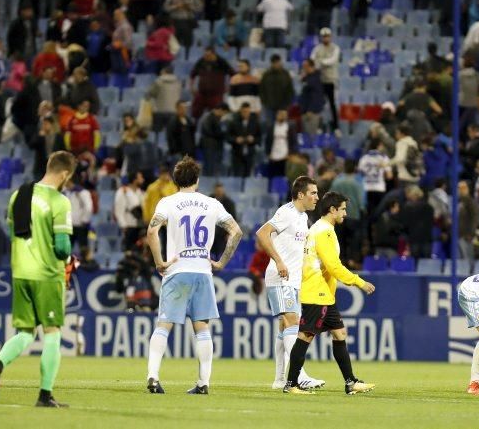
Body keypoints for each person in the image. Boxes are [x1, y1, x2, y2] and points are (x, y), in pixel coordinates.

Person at [0, 151, 77, 407]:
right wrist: (70, 258)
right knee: (52, 332)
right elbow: (62, 248)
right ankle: (45, 395)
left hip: (20, 272)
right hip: (46, 274)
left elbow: (17, 233)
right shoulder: (59, 201)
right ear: (65, 174)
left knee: (25, 332)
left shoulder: (19, 195)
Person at [145, 156, 243, 394]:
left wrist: (160, 262)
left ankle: (153, 377)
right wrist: (220, 262)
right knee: (202, 328)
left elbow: (151, 232)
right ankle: (203, 383)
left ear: (175, 180)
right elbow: (236, 232)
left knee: (163, 325)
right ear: (197, 180)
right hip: (202, 271)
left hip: (177, 270)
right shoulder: (212, 204)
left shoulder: (167, 202)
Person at [283, 191, 376, 395]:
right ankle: (291, 384)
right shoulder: (324, 231)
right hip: (317, 293)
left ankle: (350, 382)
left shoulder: (319, 228)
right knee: (305, 336)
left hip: (324, 293)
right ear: (332, 210)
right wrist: (358, 282)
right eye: (342, 208)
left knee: (339, 333)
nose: (345, 212)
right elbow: (334, 266)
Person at [256, 176, 324, 391]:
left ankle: (279, 379)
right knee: (293, 323)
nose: (317, 197)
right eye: (313, 193)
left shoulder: (303, 217)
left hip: (293, 279)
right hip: (281, 277)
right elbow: (262, 233)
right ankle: (299, 375)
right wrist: (278, 261)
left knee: (285, 326)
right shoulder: (286, 212)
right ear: (301, 194)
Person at [310, 28, 340, 131]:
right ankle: (319, 126)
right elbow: (312, 61)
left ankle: (336, 126)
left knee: (332, 104)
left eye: (327, 36)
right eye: (324, 36)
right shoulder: (317, 49)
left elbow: (331, 61)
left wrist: (320, 62)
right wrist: (319, 63)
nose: (326, 38)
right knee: (319, 105)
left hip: (331, 80)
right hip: (320, 80)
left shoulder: (335, 48)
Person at [227, 102, 261, 177]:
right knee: (237, 176)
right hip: (237, 154)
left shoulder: (255, 123)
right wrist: (236, 139)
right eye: (244, 112)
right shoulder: (234, 122)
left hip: (250, 154)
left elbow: (259, 138)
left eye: (248, 112)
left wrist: (253, 139)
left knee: (247, 176)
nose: (246, 114)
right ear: (241, 111)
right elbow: (228, 137)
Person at [115, 171, 146, 251]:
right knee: (129, 251)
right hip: (129, 226)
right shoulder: (123, 191)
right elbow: (119, 210)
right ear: (134, 180)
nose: (143, 180)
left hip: (141, 225)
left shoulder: (141, 192)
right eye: (140, 178)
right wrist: (123, 225)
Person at [63, 176, 94, 251]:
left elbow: (88, 207)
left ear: (70, 180)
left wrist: (84, 220)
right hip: (69, 226)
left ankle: (85, 262)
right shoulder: (66, 192)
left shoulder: (82, 192)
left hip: (80, 225)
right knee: (68, 249)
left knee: (83, 248)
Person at [265, 109, 297, 178]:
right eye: (281, 114)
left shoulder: (290, 127)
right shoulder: (271, 127)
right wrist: (268, 153)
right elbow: (267, 141)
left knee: (284, 177)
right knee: (273, 177)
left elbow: (294, 141)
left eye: (284, 114)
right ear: (277, 115)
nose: (282, 116)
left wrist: (291, 154)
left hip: (285, 157)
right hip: (273, 156)